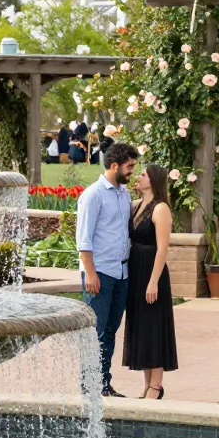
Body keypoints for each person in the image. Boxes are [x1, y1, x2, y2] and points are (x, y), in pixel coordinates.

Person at [75, 141, 138, 397]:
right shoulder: (93, 195)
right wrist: (90, 274)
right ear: (115, 165)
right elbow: (84, 238)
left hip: (121, 274)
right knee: (96, 333)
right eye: (130, 166)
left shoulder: (124, 194)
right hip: (99, 273)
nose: (132, 170)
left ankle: (103, 384)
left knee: (110, 331)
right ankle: (89, 386)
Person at [123, 163, 177, 398]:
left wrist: (153, 281)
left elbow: (163, 248)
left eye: (142, 174)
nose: (138, 177)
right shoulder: (136, 206)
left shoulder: (160, 208)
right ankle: (147, 385)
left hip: (151, 272)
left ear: (153, 180)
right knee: (141, 327)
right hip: (135, 271)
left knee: (153, 327)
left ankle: (156, 385)